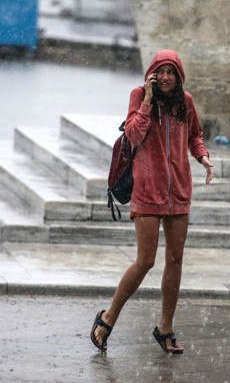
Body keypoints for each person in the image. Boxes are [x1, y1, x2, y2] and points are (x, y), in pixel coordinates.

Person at [90, 49, 213, 355]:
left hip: (179, 191)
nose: (167, 77)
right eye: (162, 71)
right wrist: (146, 100)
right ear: (152, 74)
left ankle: (165, 327)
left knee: (175, 260)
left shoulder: (186, 101)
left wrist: (204, 158)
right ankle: (108, 318)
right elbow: (133, 134)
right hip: (147, 190)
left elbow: (195, 135)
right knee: (146, 260)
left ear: (179, 75)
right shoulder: (138, 95)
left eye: (172, 72)